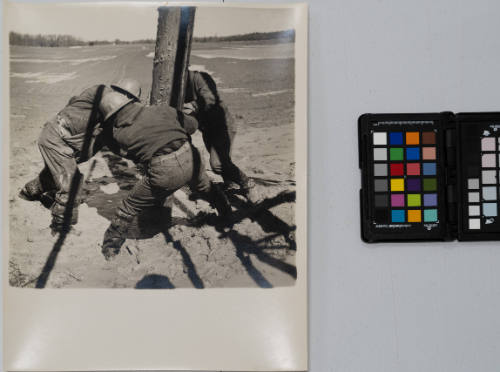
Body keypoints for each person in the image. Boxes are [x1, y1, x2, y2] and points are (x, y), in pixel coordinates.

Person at [98, 89, 232, 261]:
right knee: (205, 187)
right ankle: (227, 215)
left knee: (129, 207)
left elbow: (131, 155)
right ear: (130, 102)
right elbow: (192, 126)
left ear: (112, 116)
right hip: (191, 156)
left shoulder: (120, 134)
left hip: (165, 170)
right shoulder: (162, 110)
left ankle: (110, 249)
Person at [19, 78, 142, 233]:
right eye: (128, 99)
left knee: (58, 174)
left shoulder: (107, 108)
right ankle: (61, 226)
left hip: (65, 141)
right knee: (72, 182)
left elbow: (115, 142)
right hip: (56, 138)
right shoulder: (102, 93)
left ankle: (29, 191)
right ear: (125, 96)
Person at [183, 70, 261, 204]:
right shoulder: (176, 87)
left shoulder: (199, 78)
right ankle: (230, 184)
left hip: (222, 125)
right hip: (207, 129)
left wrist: (192, 105)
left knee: (218, 164)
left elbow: (210, 99)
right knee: (223, 161)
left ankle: (248, 184)